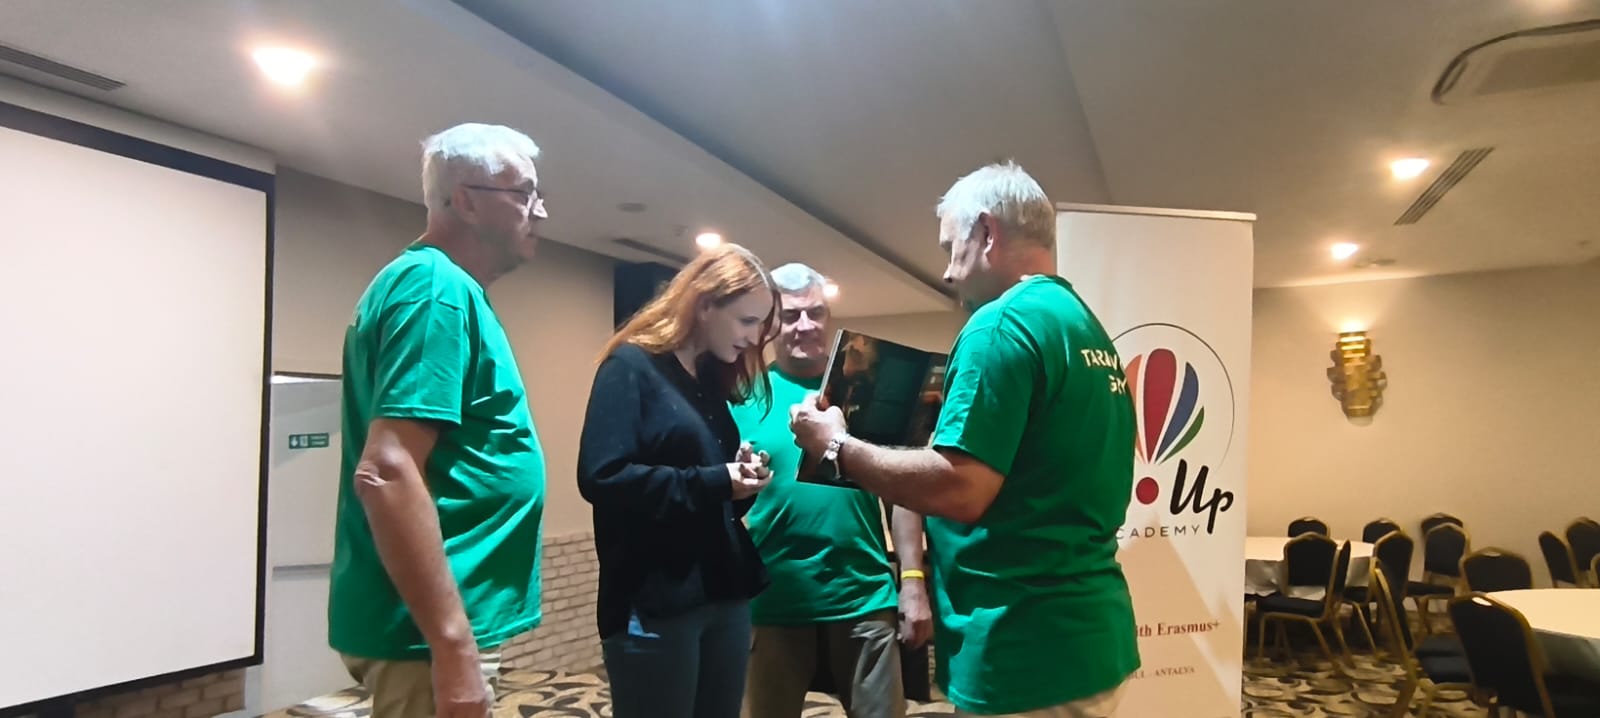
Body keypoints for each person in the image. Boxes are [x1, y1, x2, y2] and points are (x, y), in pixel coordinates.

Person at [789, 161, 1140, 718]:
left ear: (986, 232)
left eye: (950, 247)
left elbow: (960, 488)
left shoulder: (1000, 325)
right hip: (1086, 634)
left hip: (1021, 643)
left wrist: (836, 446)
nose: (948, 273)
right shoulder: (1080, 323)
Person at [329, 123, 550, 718]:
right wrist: (452, 648)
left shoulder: (449, 289)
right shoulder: (435, 289)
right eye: (524, 193)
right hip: (424, 637)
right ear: (465, 200)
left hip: (434, 630)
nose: (541, 211)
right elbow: (387, 471)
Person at [577, 243, 780, 718]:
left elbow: (712, 496)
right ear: (705, 304)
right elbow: (602, 477)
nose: (754, 338)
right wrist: (716, 480)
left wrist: (739, 482)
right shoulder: (631, 366)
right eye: (747, 321)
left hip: (723, 590)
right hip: (655, 599)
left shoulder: (707, 379)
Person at [731, 264, 933, 718]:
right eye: (791, 315)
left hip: (863, 593)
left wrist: (913, 582)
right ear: (770, 323)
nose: (806, 325)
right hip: (774, 596)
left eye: (816, 312)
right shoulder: (742, 395)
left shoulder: (865, 392)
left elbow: (902, 492)